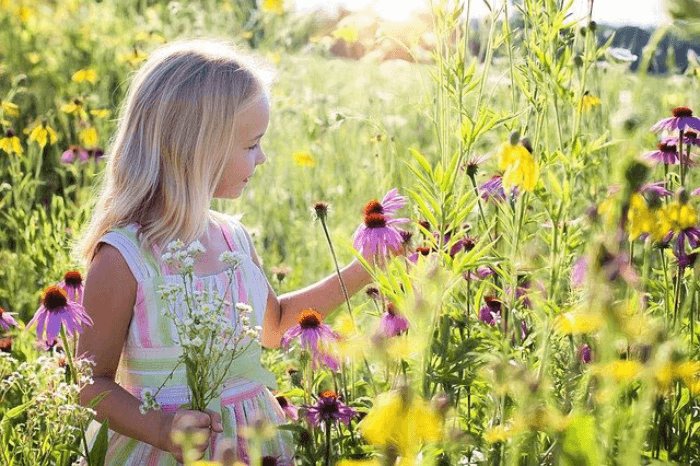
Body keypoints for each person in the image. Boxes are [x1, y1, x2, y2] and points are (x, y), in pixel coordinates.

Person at [76, 38, 375, 465]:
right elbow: (90, 383)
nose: (263, 157)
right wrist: (162, 429)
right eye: (252, 144)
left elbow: (273, 327)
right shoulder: (125, 258)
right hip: (162, 452)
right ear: (198, 149)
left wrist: (362, 269)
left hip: (255, 445)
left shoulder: (234, 238)